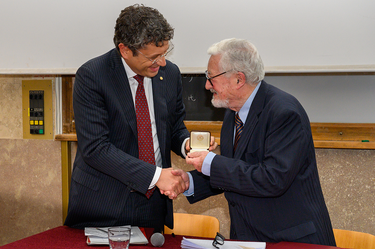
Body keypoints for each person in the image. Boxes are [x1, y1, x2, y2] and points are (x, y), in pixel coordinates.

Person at [181, 38, 336, 245]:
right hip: (249, 237)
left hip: (291, 239)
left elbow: (273, 179)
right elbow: (236, 172)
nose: (207, 85)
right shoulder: (232, 113)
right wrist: (187, 182)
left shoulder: (284, 112)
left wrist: (211, 163)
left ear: (239, 79)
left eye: (211, 77)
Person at [64, 4, 194, 231]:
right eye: (153, 57)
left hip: (153, 202)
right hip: (103, 203)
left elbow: (173, 127)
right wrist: (155, 175)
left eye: (164, 53)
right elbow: (96, 148)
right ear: (125, 50)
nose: (161, 62)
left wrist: (187, 145)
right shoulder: (93, 76)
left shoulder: (169, 73)